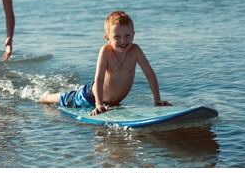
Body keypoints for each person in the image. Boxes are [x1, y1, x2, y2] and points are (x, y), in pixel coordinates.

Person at [38, 11, 170, 116]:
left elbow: (150, 74)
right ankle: (47, 97)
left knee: (70, 96)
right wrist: (98, 104)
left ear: (133, 35)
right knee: (67, 99)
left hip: (112, 102)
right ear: (107, 38)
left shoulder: (135, 50)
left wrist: (157, 99)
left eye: (127, 36)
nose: (123, 41)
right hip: (91, 97)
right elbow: (99, 79)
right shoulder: (105, 51)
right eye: (117, 37)